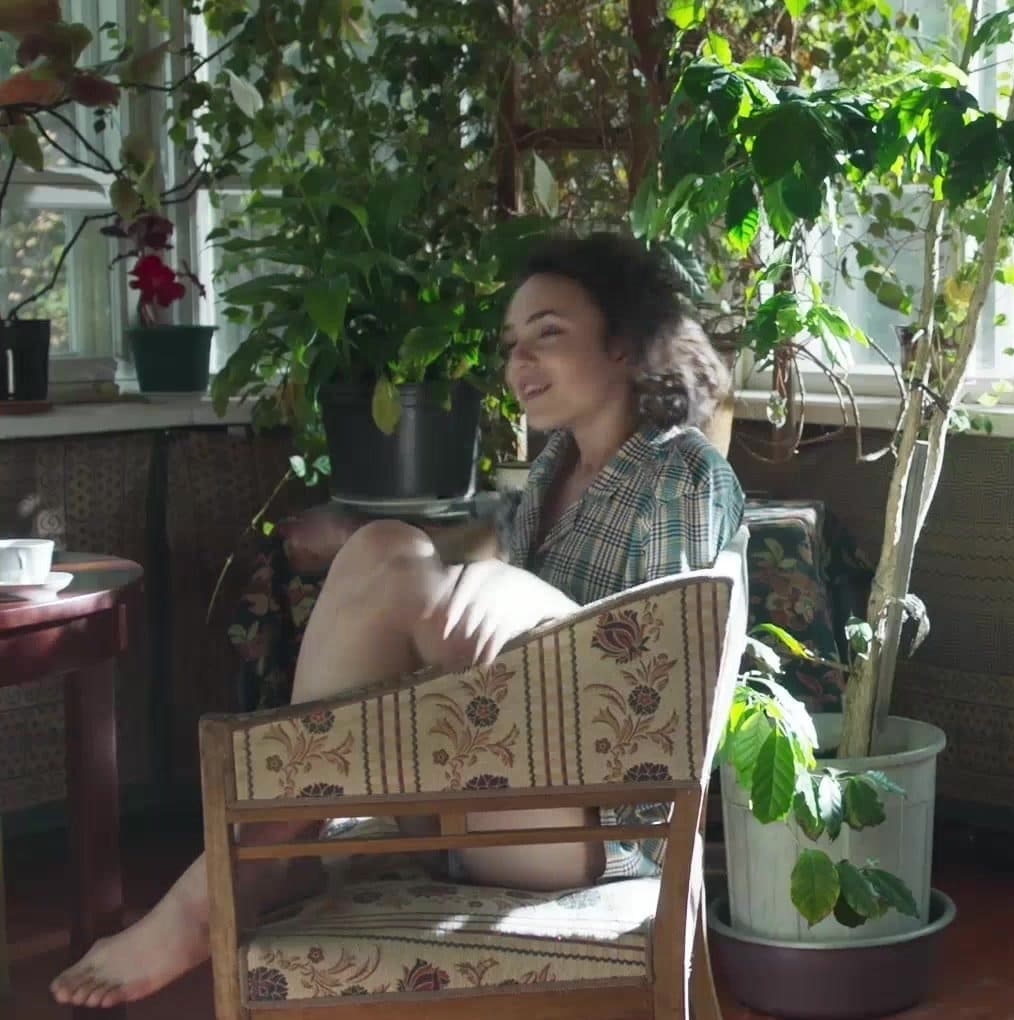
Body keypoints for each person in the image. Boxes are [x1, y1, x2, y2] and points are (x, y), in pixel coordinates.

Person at [50, 232, 746, 1008]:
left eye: (547, 333)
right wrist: (405, 554)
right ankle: (276, 848)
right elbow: (457, 575)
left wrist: (527, 604)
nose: (518, 361)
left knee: (405, 559)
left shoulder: (680, 472)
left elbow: (669, 676)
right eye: (511, 343)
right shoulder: (554, 471)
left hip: (595, 832)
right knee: (385, 546)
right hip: (504, 782)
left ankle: (222, 886)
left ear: (622, 342)